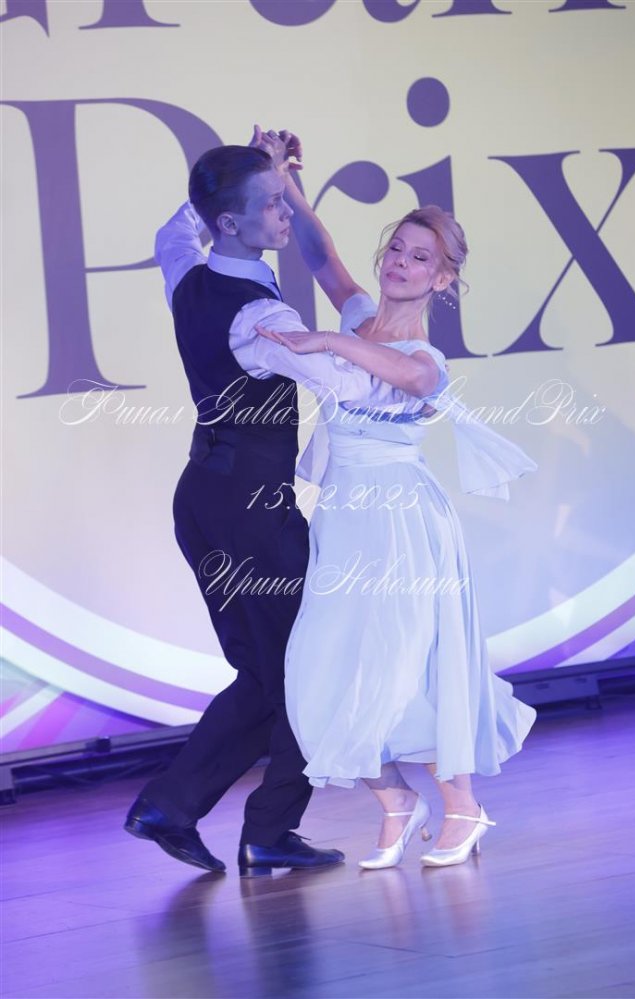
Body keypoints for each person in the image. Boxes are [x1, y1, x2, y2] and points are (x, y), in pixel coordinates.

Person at [124, 129, 417, 877]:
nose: (286, 213)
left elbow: (173, 231)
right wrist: (410, 363)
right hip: (251, 516)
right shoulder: (264, 320)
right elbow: (354, 386)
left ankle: (177, 808)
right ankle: (261, 827)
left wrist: (263, 167)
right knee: (303, 670)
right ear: (230, 222)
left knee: (267, 673)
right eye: (273, 204)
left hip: (204, 502)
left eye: (284, 200)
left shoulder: (188, 270)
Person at [247, 174, 538, 869]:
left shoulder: (421, 356)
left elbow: (413, 380)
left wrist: (326, 341)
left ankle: (462, 806)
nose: (401, 263)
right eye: (397, 250)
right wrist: (289, 186)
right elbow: (322, 257)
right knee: (321, 665)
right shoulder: (357, 319)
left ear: (442, 279)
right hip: (344, 520)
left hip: (403, 523)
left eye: (420, 257)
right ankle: (396, 802)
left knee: (407, 664)